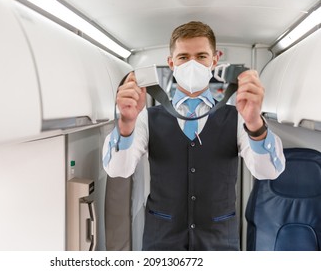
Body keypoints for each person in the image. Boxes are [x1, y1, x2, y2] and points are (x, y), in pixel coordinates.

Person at [102, 21, 285, 251]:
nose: (192, 64)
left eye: (201, 56)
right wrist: (126, 123)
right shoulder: (145, 117)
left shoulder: (240, 117)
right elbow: (118, 170)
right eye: (183, 57)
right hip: (162, 243)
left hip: (219, 243)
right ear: (171, 63)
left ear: (214, 61)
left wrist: (254, 122)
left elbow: (269, 171)